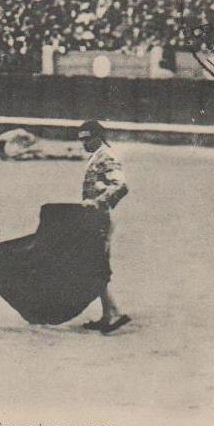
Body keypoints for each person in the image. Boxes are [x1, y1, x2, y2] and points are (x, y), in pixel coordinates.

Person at [77, 120, 132, 335]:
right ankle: (107, 315)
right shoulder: (98, 155)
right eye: (81, 139)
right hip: (94, 217)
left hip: (100, 217)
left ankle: (115, 313)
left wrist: (98, 201)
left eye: (87, 138)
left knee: (95, 265)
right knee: (95, 264)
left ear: (99, 136)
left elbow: (121, 185)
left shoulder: (106, 156)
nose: (84, 143)